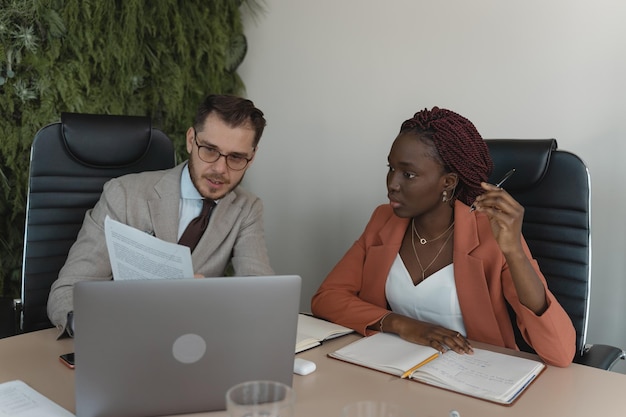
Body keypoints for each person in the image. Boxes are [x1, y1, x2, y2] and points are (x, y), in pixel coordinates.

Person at [311, 106, 576, 367]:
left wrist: (515, 252)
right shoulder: (384, 220)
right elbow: (327, 298)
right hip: (391, 369)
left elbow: (560, 353)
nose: (392, 183)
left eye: (408, 174)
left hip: (473, 376)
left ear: (448, 182)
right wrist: (402, 325)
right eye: (390, 168)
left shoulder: (491, 233)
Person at [48, 94, 274, 337]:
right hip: (122, 337)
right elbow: (68, 290)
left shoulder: (247, 208)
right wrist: (97, 328)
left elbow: (260, 295)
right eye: (209, 150)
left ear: (251, 158)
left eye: (236, 157)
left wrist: (213, 298)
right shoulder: (123, 194)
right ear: (191, 140)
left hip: (193, 344)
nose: (220, 169)